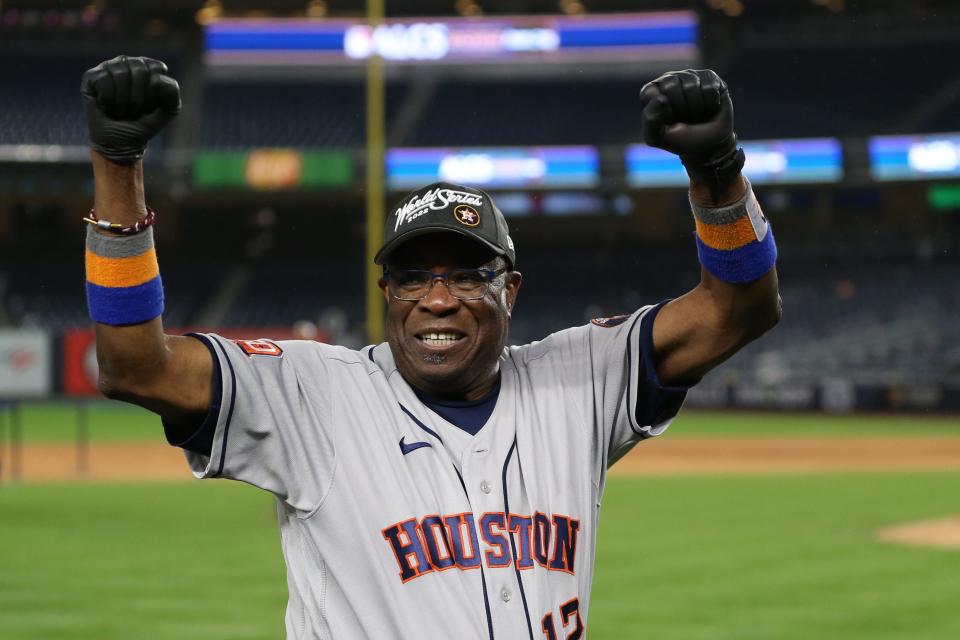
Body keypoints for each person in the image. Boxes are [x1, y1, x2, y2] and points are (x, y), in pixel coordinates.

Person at [81, 56, 780, 639]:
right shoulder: (311, 395)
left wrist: (717, 172)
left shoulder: (583, 380)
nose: (437, 299)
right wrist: (119, 168)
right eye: (413, 277)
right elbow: (135, 365)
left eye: (469, 275)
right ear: (387, 291)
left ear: (510, 291)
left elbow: (738, 309)